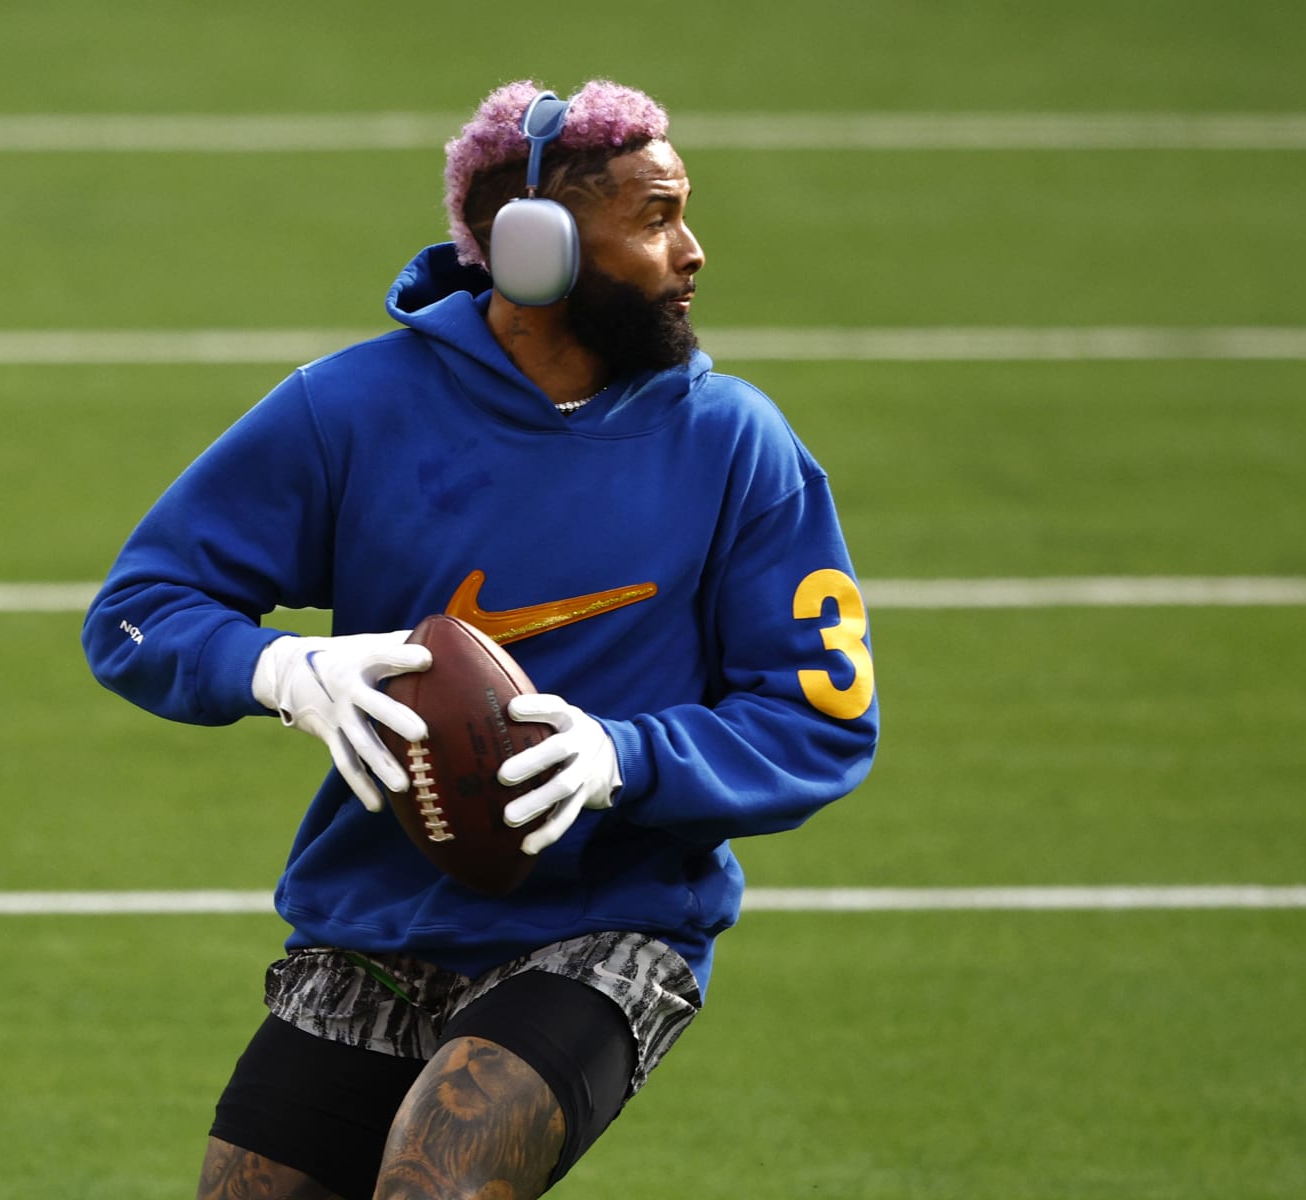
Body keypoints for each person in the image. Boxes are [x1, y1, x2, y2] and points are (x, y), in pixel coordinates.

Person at [81, 77, 879, 1200]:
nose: (692, 251)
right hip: (372, 920)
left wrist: (627, 757)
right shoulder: (347, 412)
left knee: (437, 1183)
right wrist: (279, 669)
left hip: (611, 926)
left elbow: (817, 719)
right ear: (533, 247)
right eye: (655, 217)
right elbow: (135, 611)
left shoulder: (737, 444)